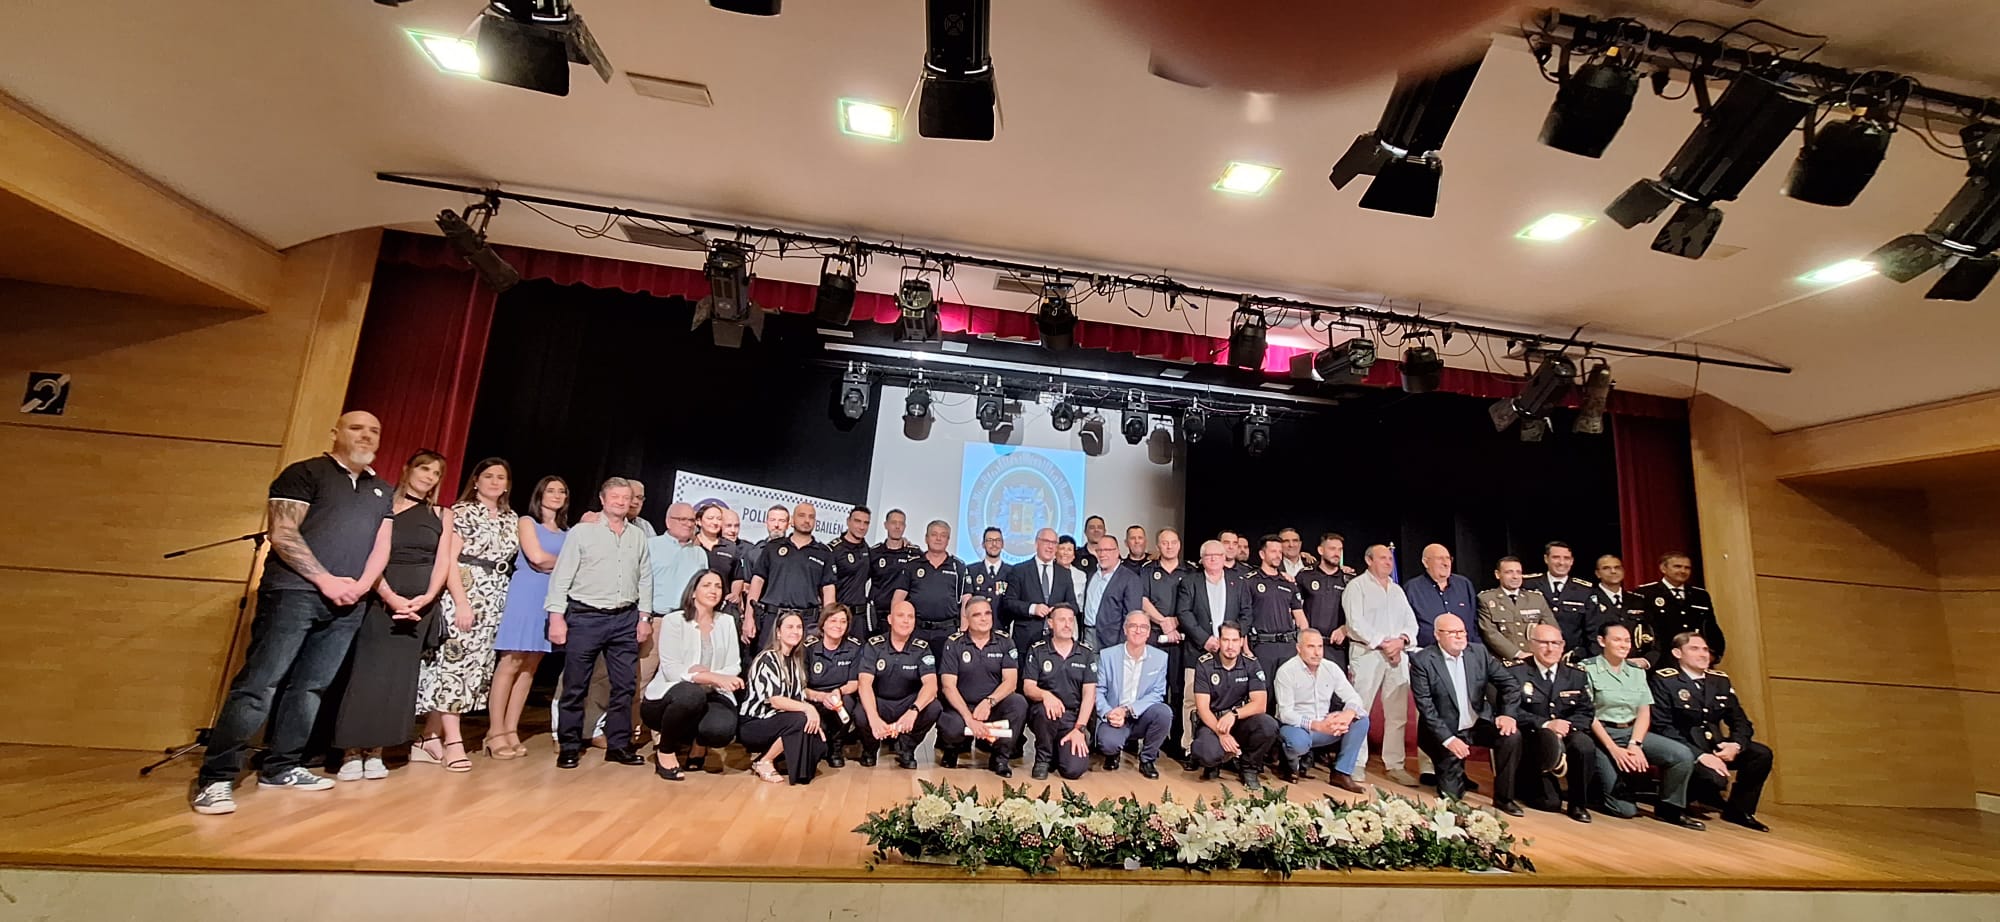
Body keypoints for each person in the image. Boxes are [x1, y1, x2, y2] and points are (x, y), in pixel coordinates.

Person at [193, 412, 395, 814]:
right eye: (357, 428)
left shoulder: (381, 489)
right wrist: (325, 580)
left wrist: (359, 584)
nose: (366, 435)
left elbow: (382, 544)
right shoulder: (304, 473)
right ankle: (215, 778)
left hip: (350, 601)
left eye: (374, 430)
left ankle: (281, 766)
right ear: (336, 432)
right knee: (260, 684)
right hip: (294, 593)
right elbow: (283, 533)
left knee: (311, 687)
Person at [332, 450, 452, 782]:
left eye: (436, 473)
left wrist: (426, 597)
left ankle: (377, 750)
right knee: (366, 673)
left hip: (419, 605)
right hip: (379, 596)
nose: (429, 476)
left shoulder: (442, 514)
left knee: (398, 679)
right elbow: (370, 553)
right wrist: (388, 595)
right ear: (407, 469)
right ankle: (351, 750)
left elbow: (443, 562)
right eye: (424, 469)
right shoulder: (381, 504)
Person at [414, 457, 520, 773]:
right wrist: (461, 602)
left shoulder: (510, 517)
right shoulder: (461, 512)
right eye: (488, 476)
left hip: (496, 596)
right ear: (475, 480)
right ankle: (453, 742)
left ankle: (428, 738)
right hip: (465, 592)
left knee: (475, 669)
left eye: (501, 477)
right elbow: (450, 559)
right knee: (453, 665)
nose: (494, 482)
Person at [545, 477, 653, 769]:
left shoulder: (638, 536)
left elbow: (645, 578)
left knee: (624, 685)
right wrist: (556, 617)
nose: (621, 502)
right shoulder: (582, 533)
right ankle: (569, 745)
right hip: (585, 616)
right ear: (603, 500)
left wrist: (644, 617)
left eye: (626, 497)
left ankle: (618, 745)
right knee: (575, 684)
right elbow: (561, 577)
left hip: (625, 618)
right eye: (615, 497)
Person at [1577, 622, 1702, 828]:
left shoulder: (1636, 671)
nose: (1624, 645)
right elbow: (1589, 714)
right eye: (1617, 639)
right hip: (1599, 737)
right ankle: (1599, 791)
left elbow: (1644, 710)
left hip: (1630, 732)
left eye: (1627, 640)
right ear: (1602, 641)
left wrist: (1635, 744)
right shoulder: (1586, 669)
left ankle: (1670, 808)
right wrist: (1614, 749)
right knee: (1625, 811)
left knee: (1682, 755)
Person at [1650, 633, 1773, 832]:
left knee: (1761, 754)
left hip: (1714, 744)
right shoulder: (1666, 681)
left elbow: (1741, 721)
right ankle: (1674, 804)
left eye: (1705, 649)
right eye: (1694, 649)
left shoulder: (1719, 681)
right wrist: (1700, 756)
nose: (1703, 654)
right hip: (1683, 746)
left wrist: (1735, 744)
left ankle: (1740, 810)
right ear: (1677, 653)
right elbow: (1663, 727)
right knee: (1713, 779)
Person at [1409, 614, 1524, 815]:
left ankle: (1504, 798)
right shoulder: (1423, 661)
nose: (1459, 636)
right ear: (1437, 635)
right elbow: (1426, 707)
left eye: (1462, 631)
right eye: (1452, 632)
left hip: (1478, 723)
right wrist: (1448, 739)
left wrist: (1508, 714)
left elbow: (1510, 685)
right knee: (1451, 799)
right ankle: (1454, 774)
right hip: (1445, 731)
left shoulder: (1478, 653)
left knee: (1511, 736)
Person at [487, 475, 568, 761]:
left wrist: (555, 565)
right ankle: (494, 731)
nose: (556, 495)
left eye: (561, 491)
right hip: (526, 594)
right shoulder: (526, 522)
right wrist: (563, 565)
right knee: (511, 661)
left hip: (550, 599)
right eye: (550, 490)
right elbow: (535, 557)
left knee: (531, 665)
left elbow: (560, 564)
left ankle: (511, 729)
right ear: (540, 494)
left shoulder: (566, 532)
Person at [638, 569, 741, 781]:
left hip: (712, 694)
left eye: (718, 586)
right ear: (693, 591)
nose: (713, 590)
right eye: (707, 585)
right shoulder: (674, 620)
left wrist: (705, 674)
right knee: (691, 694)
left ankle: (699, 744)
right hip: (669, 698)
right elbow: (671, 670)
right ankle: (665, 750)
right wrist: (710, 677)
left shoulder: (727, 622)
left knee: (722, 729)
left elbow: (734, 666)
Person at [1341, 544, 1420, 786]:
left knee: (1397, 713)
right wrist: (1385, 643)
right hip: (1367, 654)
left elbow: (1411, 622)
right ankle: (1356, 763)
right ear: (1369, 560)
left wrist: (1401, 641)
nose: (1388, 562)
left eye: (1390, 558)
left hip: (1397, 656)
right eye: (1382, 558)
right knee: (1360, 709)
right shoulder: (1356, 586)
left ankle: (1395, 764)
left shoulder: (1397, 590)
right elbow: (1355, 622)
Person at [1509, 624, 1595, 822]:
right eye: (1544, 643)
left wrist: (1565, 727)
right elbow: (1511, 711)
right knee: (1549, 804)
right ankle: (1527, 786)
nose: (1550, 648)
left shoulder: (1576, 674)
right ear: (1532, 644)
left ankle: (1578, 804)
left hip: (1567, 732)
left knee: (1584, 744)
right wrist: (1547, 725)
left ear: (1563, 645)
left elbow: (1586, 711)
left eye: (1555, 643)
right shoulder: (1517, 672)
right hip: (1533, 739)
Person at [1178, 539, 1250, 770]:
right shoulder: (1190, 581)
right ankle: (1190, 747)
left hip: (1231, 652)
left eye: (1217, 555)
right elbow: (1184, 613)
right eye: (1208, 556)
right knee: (1191, 701)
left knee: (1232, 700)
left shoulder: (1238, 582)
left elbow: (1247, 614)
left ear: (1224, 557)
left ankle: (1230, 749)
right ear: (1202, 559)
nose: (1213, 559)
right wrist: (1205, 639)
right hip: (1198, 650)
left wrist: (1235, 641)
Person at [936, 598, 1029, 776]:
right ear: (967, 618)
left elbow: (1010, 681)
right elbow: (948, 686)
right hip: (962, 707)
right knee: (951, 725)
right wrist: (969, 718)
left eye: (987, 613)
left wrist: (988, 703)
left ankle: (1000, 757)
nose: (984, 618)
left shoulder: (1005, 641)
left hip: (992, 706)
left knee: (1018, 703)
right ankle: (952, 749)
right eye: (977, 615)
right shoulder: (953, 643)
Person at [1271, 629, 1370, 792]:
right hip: (1297, 727)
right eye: (1311, 647)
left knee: (1361, 720)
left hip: (1325, 727)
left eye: (1320, 647)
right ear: (1298, 648)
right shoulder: (1286, 671)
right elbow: (1285, 713)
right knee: (1298, 742)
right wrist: (1316, 725)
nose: (1317, 653)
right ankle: (1287, 763)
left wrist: (1348, 714)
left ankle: (1341, 772)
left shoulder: (1331, 668)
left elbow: (1354, 698)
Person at [739, 610, 827, 785]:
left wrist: (822, 697)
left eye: (799, 627)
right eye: (790, 627)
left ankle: (782, 759)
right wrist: (809, 708)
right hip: (756, 722)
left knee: (819, 739)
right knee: (802, 719)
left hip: (779, 719)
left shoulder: (795, 660)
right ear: (778, 632)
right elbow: (775, 700)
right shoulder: (767, 659)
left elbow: (800, 692)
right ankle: (764, 761)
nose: (795, 631)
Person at [1190, 622, 1279, 790]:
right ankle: (1214, 763)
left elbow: (1260, 704)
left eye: (1234, 640)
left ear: (1241, 641)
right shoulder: (1205, 664)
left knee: (1268, 725)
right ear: (1219, 641)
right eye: (1226, 640)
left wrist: (1234, 715)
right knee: (1206, 752)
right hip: (1213, 723)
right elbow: (1203, 708)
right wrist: (1221, 733)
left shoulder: (1251, 664)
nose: (1230, 646)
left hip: (1239, 721)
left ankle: (1249, 768)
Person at [744, 503, 836, 657]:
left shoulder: (824, 553)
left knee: (800, 670)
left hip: (806, 622)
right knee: (764, 665)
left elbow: (828, 591)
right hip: (773, 619)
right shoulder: (772, 547)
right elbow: (757, 581)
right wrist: (748, 617)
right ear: (792, 520)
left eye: (811, 517)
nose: (807, 520)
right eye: (802, 515)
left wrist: (828, 624)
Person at [858, 600, 942, 768]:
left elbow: (931, 685)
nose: (905, 621)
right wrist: (874, 717)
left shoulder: (922, 648)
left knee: (934, 707)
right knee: (861, 713)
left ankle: (906, 748)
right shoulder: (874, 646)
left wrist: (914, 710)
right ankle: (870, 748)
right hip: (880, 702)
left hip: (906, 703)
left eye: (910, 617)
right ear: (890, 619)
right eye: (900, 616)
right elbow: (864, 683)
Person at [1095, 611, 1173, 778]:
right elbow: (1098, 690)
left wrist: (1129, 710)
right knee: (1109, 744)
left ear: (1149, 632)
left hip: (1141, 715)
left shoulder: (1160, 658)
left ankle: (1147, 759)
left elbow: (1157, 693)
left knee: (1164, 712)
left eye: (1143, 627)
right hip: (1114, 716)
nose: (1138, 631)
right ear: (1125, 630)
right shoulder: (1107, 655)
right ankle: (1112, 754)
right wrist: (1109, 712)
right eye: (1133, 626)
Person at [1023, 605, 1097, 780]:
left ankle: (1059, 752)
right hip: (1045, 714)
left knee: (1074, 770)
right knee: (1045, 711)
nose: (1067, 624)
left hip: (1072, 719)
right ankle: (1043, 759)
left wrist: (1079, 728)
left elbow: (1089, 694)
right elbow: (1028, 687)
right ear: (1050, 623)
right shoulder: (1038, 649)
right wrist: (1046, 695)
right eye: (1061, 620)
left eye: (1071, 620)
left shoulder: (1085, 653)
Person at [1136, 527, 1191, 761]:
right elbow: (1142, 600)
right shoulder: (1148, 570)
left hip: (1181, 638)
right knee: (1152, 691)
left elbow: (1193, 603)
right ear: (1158, 546)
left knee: (1178, 691)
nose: (1169, 546)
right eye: (1164, 543)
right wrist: (1162, 621)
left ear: (1179, 545)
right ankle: (1151, 742)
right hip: (1154, 637)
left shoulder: (1190, 571)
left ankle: (1176, 740)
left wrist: (1176, 622)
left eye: (1173, 542)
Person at [1630, 553, 1726, 667]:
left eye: (1687, 568)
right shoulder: (1645, 594)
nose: (1683, 571)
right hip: (1661, 660)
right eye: (1677, 566)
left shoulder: (1700, 595)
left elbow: (1711, 627)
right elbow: (1640, 630)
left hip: (1696, 660)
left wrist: (1713, 654)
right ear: (1663, 568)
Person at [892, 520, 968, 651]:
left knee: (945, 671)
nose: (938, 538)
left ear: (948, 540)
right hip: (916, 630)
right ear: (926, 538)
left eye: (943, 535)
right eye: (934, 534)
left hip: (947, 632)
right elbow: (898, 599)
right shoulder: (912, 565)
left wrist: (963, 632)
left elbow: (967, 601)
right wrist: (896, 627)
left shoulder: (958, 566)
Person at [803, 604, 865, 767]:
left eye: (843, 622)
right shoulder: (808, 648)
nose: (838, 626)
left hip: (840, 697)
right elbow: (800, 687)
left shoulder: (854, 647)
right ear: (823, 623)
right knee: (816, 742)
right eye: (833, 620)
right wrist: (821, 697)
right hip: (814, 698)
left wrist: (837, 692)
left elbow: (854, 683)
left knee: (849, 703)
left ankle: (836, 747)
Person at [1003, 527, 1075, 652]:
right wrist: (1033, 608)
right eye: (1046, 542)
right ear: (1036, 543)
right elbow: (1009, 602)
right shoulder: (1020, 571)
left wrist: (1057, 611)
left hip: (1055, 641)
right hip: (1026, 640)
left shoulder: (1065, 574)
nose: (1050, 547)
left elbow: (1073, 605)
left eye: (1054, 543)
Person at [1242, 534, 1307, 668]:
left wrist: (1305, 644)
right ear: (1262, 554)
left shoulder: (1289, 582)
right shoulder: (1249, 581)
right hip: (1262, 646)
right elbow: (1243, 616)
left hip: (1288, 647)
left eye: (1280, 552)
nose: (1278, 555)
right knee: (1264, 688)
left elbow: (1301, 619)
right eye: (1273, 551)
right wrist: (1245, 648)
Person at [1523, 541, 1595, 660]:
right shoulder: (1528, 584)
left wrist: (1580, 653)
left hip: (1570, 658)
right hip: (1533, 656)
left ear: (1572, 561)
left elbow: (1592, 630)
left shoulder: (1584, 590)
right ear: (1546, 559)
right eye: (1556, 557)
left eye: (1566, 558)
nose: (1561, 563)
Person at [1296, 533, 1353, 672]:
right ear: (1321, 550)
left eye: (1340, 550)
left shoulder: (1349, 580)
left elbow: (1360, 613)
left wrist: (1345, 628)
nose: (1337, 553)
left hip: (1337, 648)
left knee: (1335, 692)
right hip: (1310, 646)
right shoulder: (1305, 576)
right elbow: (1294, 608)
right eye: (1332, 549)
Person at [1475, 556, 1547, 665]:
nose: (1515, 576)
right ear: (1497, 574)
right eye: (1509, 572)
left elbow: (1551, 629)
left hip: (1536, 660)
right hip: (1504, 662)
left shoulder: (1536, 599)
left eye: (1519, 572)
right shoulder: (1487, 599)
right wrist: (1518, 654)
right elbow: (1490, 633)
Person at [1405, 543, 1477, 651]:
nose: (1446, 563)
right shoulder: (1412, 589)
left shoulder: (1464, 584)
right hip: (1429, 655)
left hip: (1466, 653)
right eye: (1440, 558)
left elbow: (1474, 621)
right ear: (1425, 562)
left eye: (1448, 558)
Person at [867, 508, 921, 640]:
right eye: (893, 523)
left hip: (902, 617)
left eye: (901, 523)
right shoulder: (874, 553)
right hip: (877, 616)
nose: (897, 527)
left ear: (905, 527)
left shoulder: (915, 554)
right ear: (886, 525)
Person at [1082, 534, 1144, 649]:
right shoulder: (1092, 574)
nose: (1102, 554)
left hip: (1112, 641)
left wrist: (1122, 646)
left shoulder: (1130, 578)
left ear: (1117, 552)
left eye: (1107, 550)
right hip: (1087, 636)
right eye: (1099, 550)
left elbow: (1131, 617)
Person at [1588, 555, 1645, 665]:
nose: (1613, 571)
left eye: (1617, 567)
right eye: (1606, 568)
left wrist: (1647, 659)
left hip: (1635, 663)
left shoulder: (1638, 600)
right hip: (1600, 664)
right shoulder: (1588, 599)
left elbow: (1651, 633)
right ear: (1597, 573)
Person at [827, 506, 873, 627]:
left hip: (859, 618)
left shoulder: (867, 549)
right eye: (857, 521)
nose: (862, 527)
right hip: (838, 615)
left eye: (866, 523)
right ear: (848, 521)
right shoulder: (833, 549)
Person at [966, 526, 1011, 611]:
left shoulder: (1012, 572)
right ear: (983, 544)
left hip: (1002, 623)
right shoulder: (971, 571)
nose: (994, 544)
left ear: (1002, 544)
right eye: (990, 540)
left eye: (998, 540)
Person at [1056, 534, 1088, 602]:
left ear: (1074, 555)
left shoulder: (1081, 575)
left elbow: (1081, 603)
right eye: (1062, 549)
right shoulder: (1047, 571)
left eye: (1069, 550)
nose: (1065, 553)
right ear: (1055, 552)